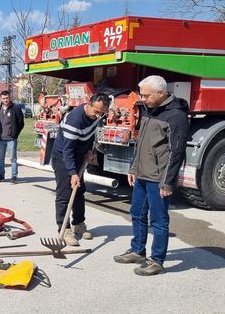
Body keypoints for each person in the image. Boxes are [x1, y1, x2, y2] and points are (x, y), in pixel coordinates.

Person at [114, 75, 189, 276]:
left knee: (158, 220)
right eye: (142, 95)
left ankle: (157, 260)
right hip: (141, 174)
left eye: (147, 95)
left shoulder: (176, 116)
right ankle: (137, 251)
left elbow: (177, 152)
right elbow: (141, 143)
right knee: (137, 213)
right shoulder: (148, 109)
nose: (143, 99)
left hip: (159, 178)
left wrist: (168, 183)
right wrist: (133, 168)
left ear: (161, 93)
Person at [52, 92, 110, 246]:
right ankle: (64, 229)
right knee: (65, 194)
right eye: (95, 111)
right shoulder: (75, 119)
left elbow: (90, 135)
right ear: (88, 104)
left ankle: (79, 224)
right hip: (63, 158)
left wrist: (90, 150)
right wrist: (72, 173)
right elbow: (67, 150)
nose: (97, 115)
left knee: (79, 191)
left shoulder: (95, 117)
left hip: (79, 157)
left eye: (101, 112)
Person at [0, 90, 25, 184]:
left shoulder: (16, 108)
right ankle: (1, 175)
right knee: (0, 158)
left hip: (11, 138)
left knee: (13, 158)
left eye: (7, 98)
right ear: (1, 98)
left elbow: (21, 123)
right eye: (3, 98)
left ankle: (14, 177)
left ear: (10, 98)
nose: (5, 100)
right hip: (0, 138)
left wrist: (15, 133)